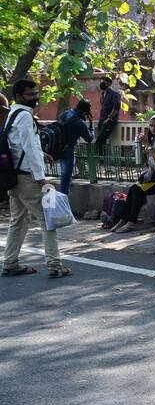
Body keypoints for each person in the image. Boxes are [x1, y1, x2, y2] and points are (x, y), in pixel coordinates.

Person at [2, 80, 69, 278]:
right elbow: (28, 146)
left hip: (14, 176)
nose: (36, 97)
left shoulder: (12, 114)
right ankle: (55, 265)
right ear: (20, 96)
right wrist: (41, 179)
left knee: (19, 220)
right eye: (31, 94)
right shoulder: (24, 116)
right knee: (47, 219)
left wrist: (42, 154)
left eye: (36, 93)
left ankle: (10, 263)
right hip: (27, 178)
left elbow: (19, 145)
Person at [112, 114, 155, 232]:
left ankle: (131, 222)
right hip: (153, 177)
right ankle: (124, 220)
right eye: (151, 126)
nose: (153, 128)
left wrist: (147, 144)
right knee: (133, 189)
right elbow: (147, 161)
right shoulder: (153, 139)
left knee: (137, 190)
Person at [56, 100, 94, 196]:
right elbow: (89, 138)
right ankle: (63, 206)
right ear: (85, 112)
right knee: (65, 180)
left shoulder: (64, 114)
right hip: (68, 150)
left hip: (59, 148)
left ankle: (62, 203)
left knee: (63, 177)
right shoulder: (80, 123)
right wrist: (91, 123)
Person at [94, 76, 121, 153]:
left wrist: (109, 118)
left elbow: (116, 107)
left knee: (99, 140)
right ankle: (101, 160)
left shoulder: (115, 94)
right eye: (101, 82)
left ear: (109, 84)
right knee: (102, 142)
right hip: (101, 120)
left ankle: (95, 158)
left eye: (104, 82)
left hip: (109, 121)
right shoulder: (103, 95)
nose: (101, 83)